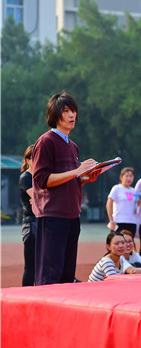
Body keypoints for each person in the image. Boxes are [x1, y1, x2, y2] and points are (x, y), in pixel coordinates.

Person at [31, 91, 101, 285]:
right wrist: (77, 171)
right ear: (55, 115)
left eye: (74, 111)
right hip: (52, 217)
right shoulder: (46, 141)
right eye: (66, 111)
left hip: (72, 216)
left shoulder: (73, 146)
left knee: (67, 274)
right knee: (50, 275)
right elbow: (42, 180)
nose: (72, 115)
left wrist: (86, 178)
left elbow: (69, 180)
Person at [19, 145, 35, 286]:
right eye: (35, 158)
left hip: (42, 223)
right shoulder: (26, 177)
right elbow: (37, 197)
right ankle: (26, 295)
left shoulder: (40, 178)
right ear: (28, 160)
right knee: (31, 266)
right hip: (31, 224)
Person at [106, 167, 139, 236]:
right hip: (119, 222)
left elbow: (136, 206)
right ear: (121, 177)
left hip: (132, 222)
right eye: (127, 176)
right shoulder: (116, 188)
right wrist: (111, 221)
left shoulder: (134, 191)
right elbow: (109, 204)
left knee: (129, 245)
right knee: (118, 244)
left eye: (131, 176)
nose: (129, 178)